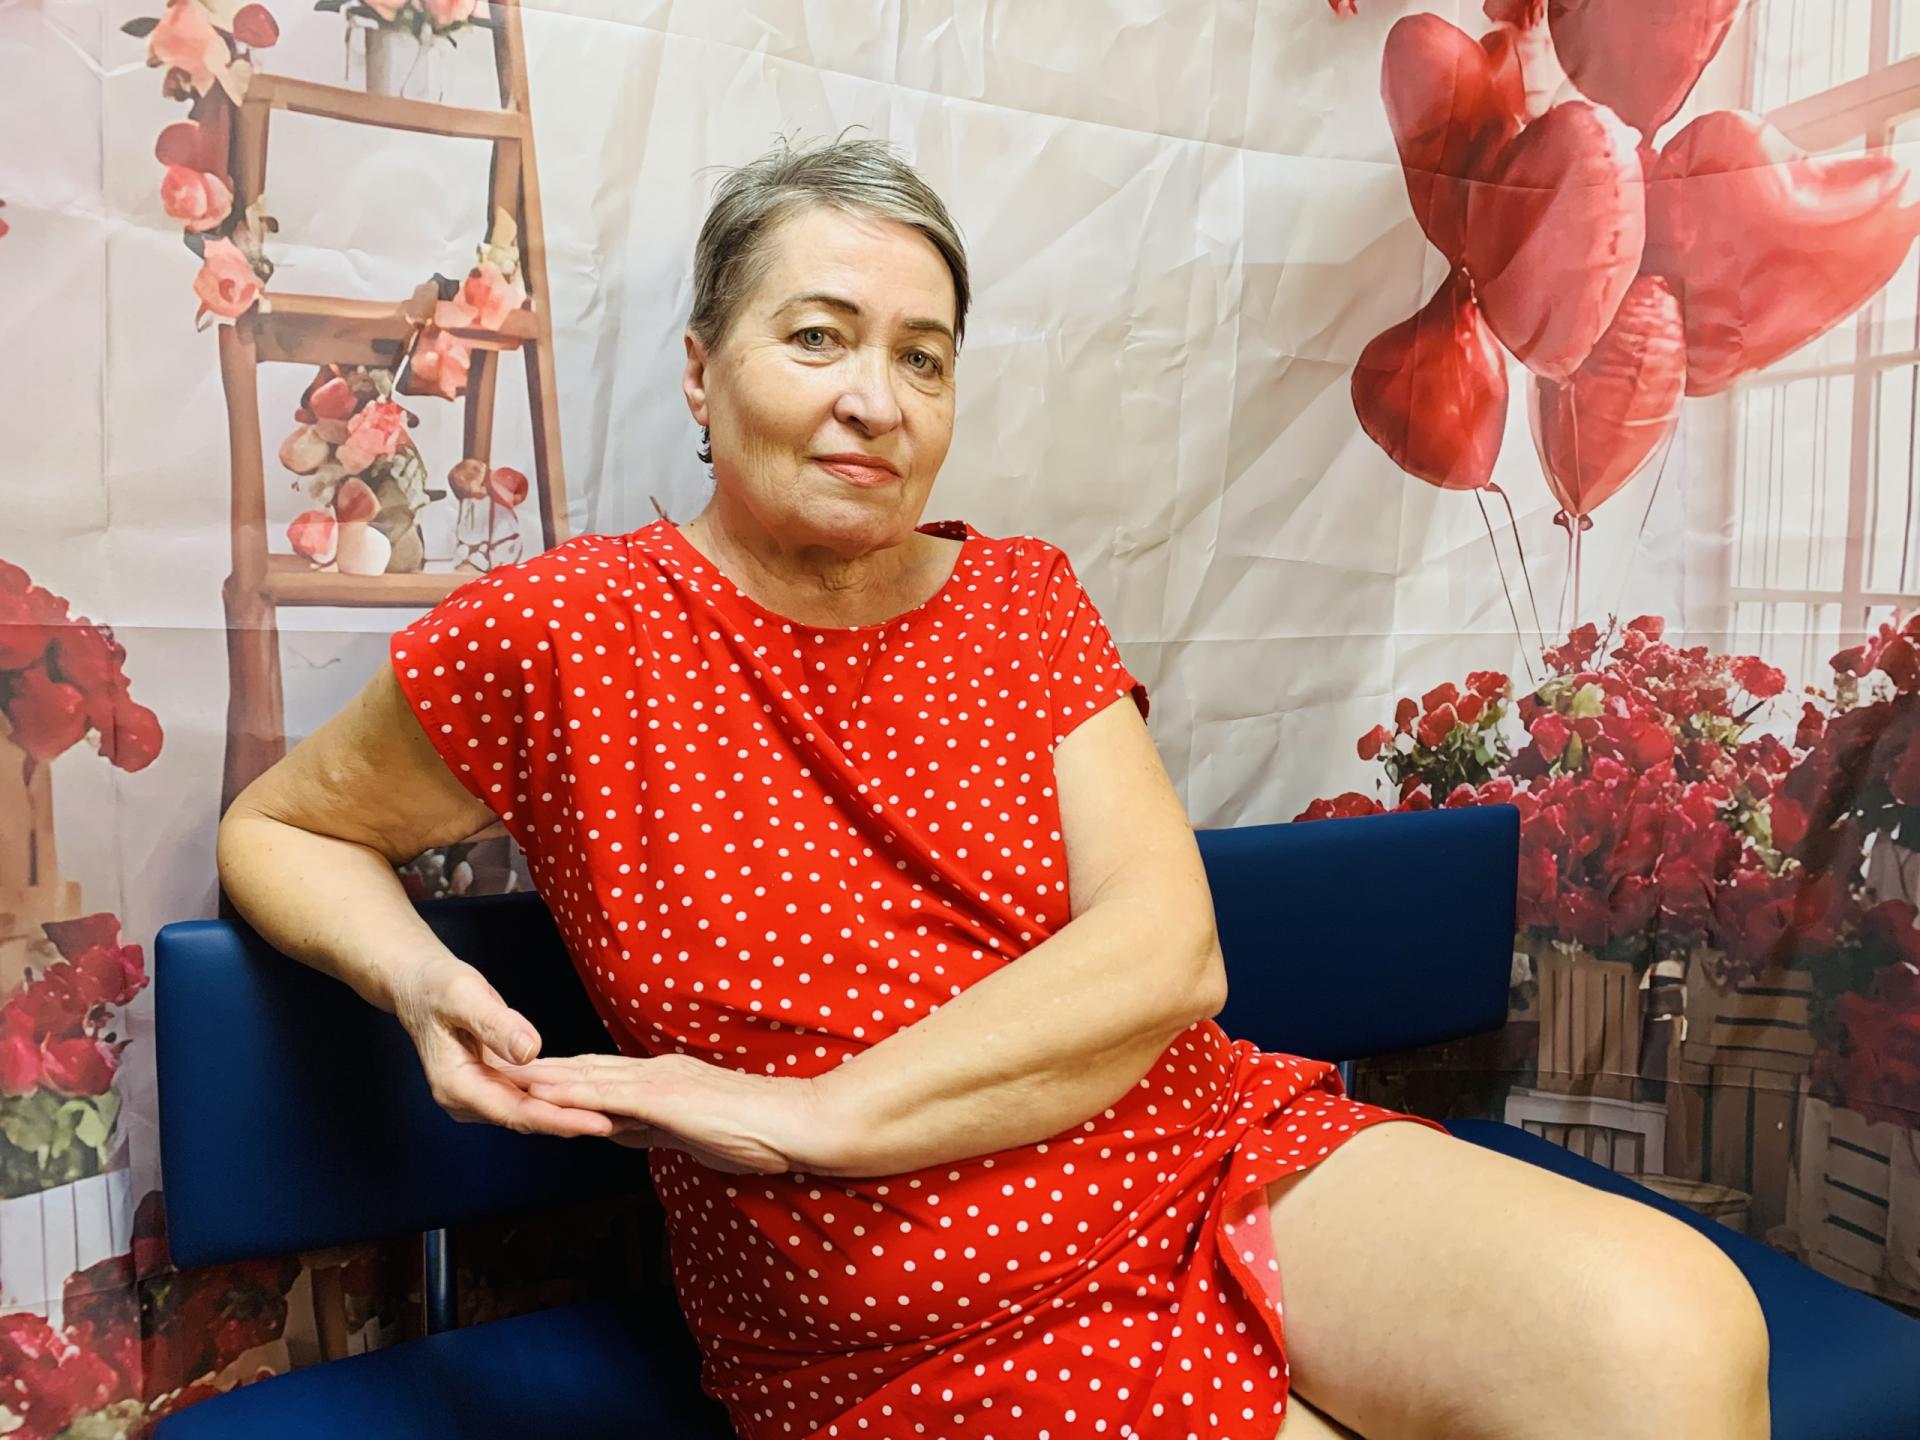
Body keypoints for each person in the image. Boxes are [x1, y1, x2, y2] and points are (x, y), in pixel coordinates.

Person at [216, 135, 1770, 1440]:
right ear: (700, 370)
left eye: (923, 357)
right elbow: (283, 829)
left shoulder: (1020, 598)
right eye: (817, 338)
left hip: (1179, 1150)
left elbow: (1170, 955)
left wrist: (811, 1116)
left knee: (1673, 1333)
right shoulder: (562, 631)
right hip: (885, 1296)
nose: (876, 399)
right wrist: (420, 980)